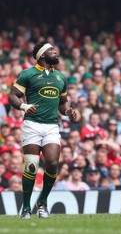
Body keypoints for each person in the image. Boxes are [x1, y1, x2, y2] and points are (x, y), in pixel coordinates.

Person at [8, 41, 78, 219]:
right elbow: (12, 96)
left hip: (51, 126)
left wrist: (68, 111)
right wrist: (24, 106)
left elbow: (63, 103)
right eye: (51, 50)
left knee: (53, 163)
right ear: (42, 55)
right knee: (31, 166)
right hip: (32, 124)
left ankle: (43, 202)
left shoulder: (60, 77)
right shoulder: (28, 74)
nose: (55, 52)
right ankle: (25, 207)